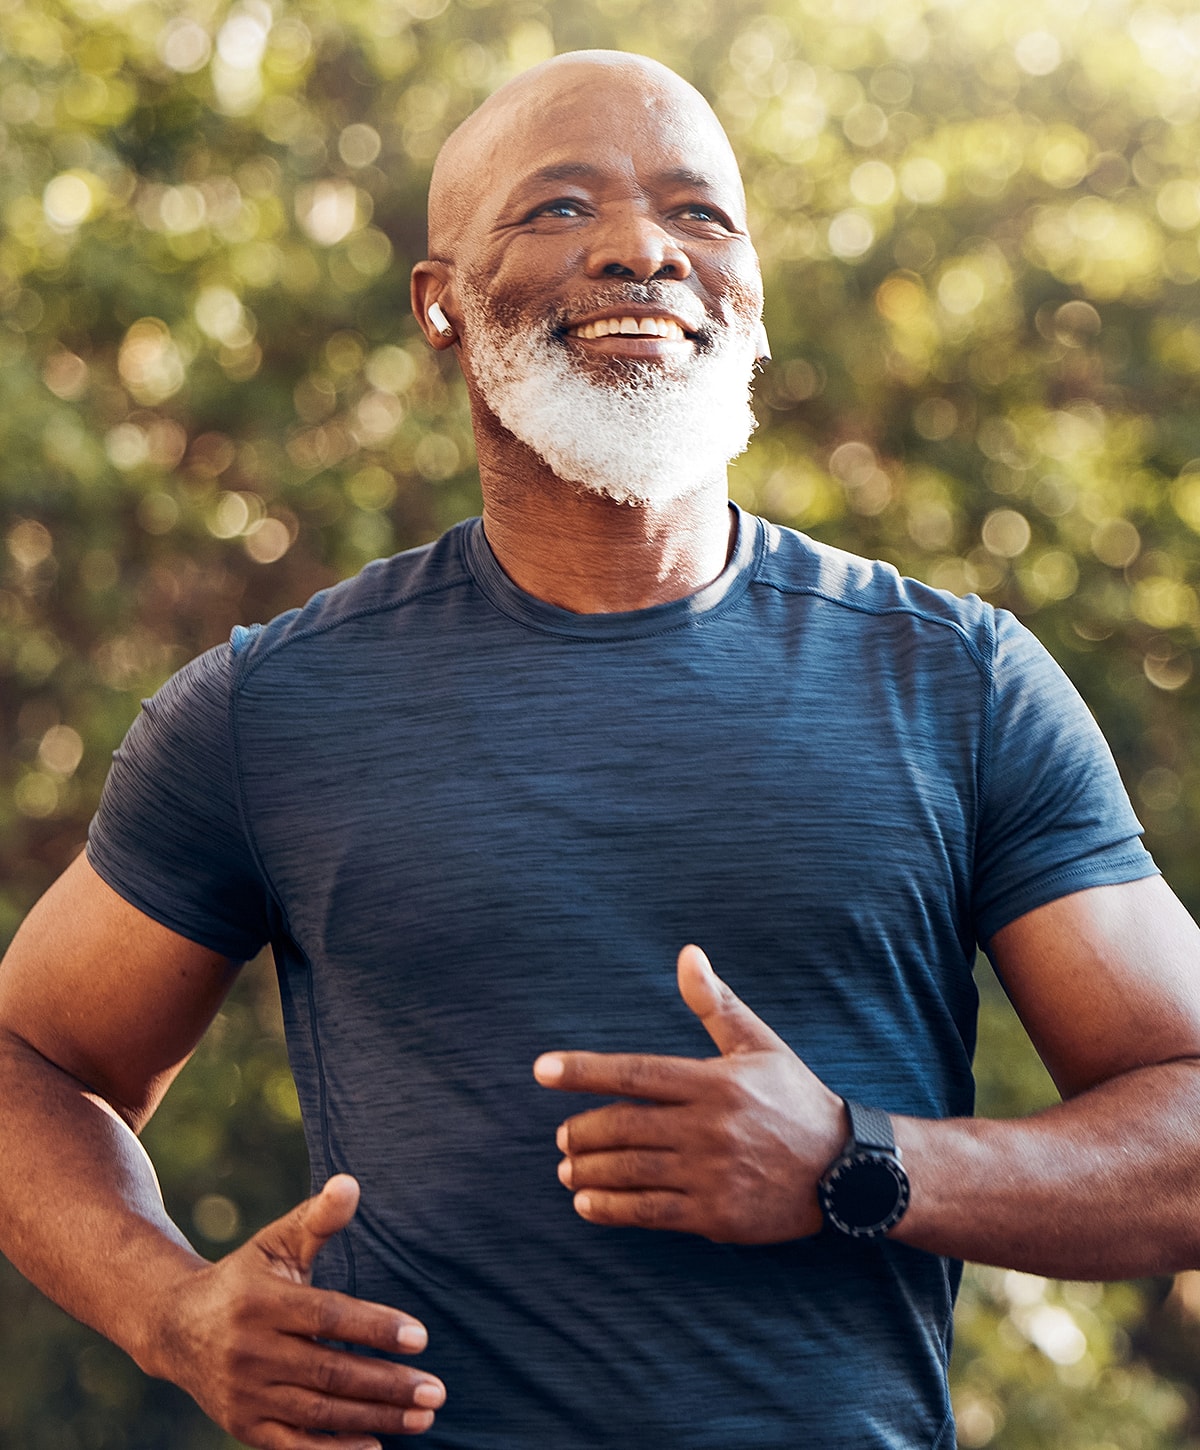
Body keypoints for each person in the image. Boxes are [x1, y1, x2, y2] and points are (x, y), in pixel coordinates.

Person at [2, 47, 1200, 1450]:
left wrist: (853, 1162)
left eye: (700, 213)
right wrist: (169, 1311)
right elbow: (29, 1051)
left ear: (751, 289)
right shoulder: (273, 706)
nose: (642, 247)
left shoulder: (958, 681)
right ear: (439, 300)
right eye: (558, 207)